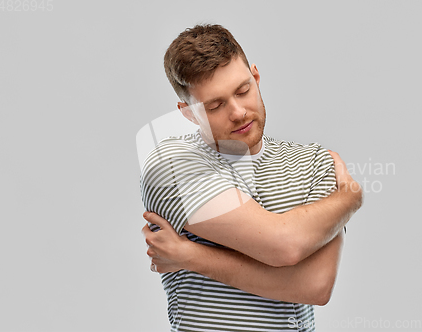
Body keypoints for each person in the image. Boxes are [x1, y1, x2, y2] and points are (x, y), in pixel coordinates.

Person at [140, 24, 363, 332]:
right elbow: (284, 246)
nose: (238, 112)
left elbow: (316, 286)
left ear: (256, 78)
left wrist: (190, 255)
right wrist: (349, 197)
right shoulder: (172, 164)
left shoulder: (313, 162)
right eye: (215, 105)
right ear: (188, 113)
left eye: (243, 91)